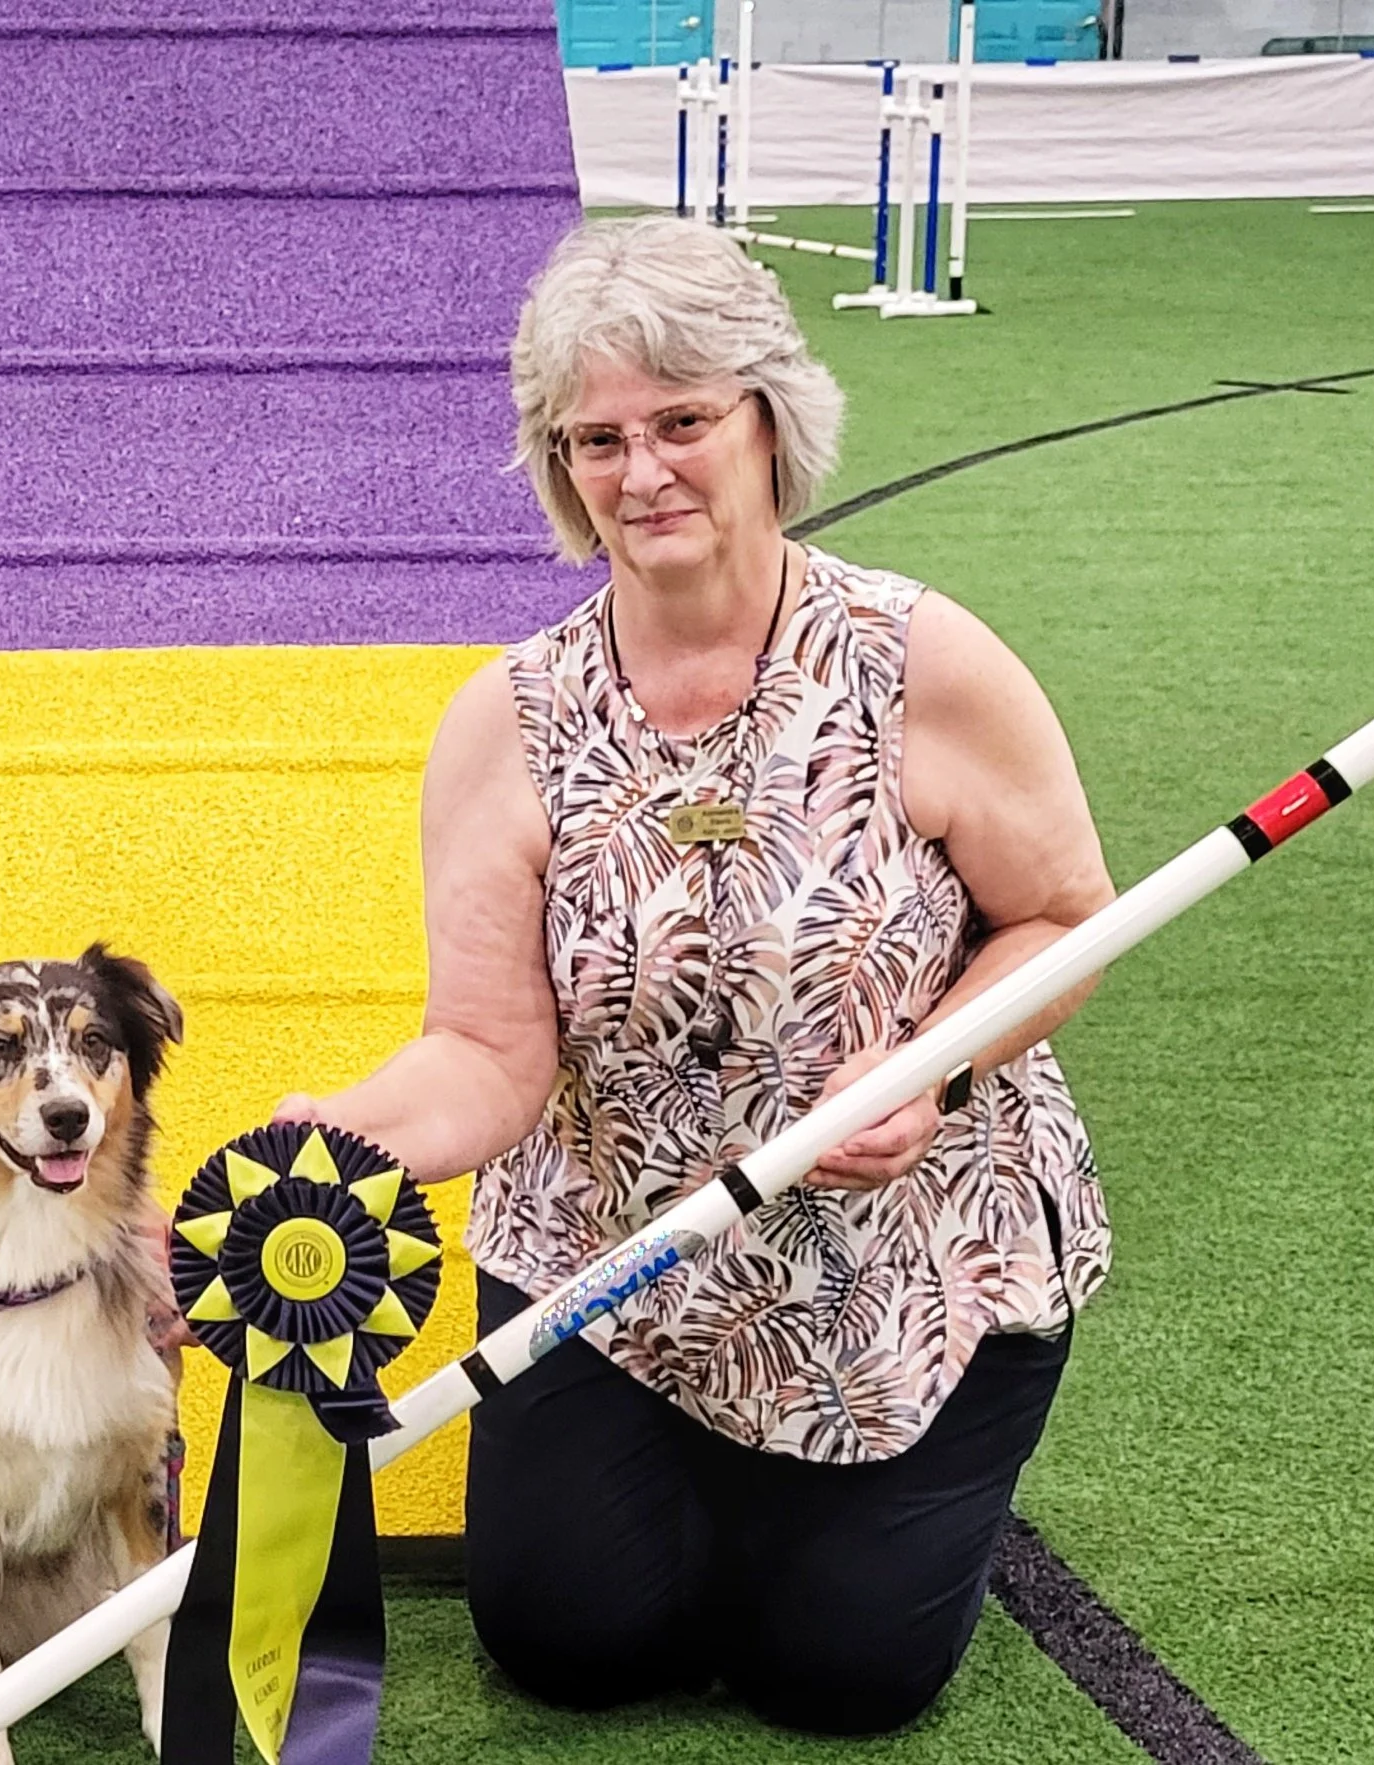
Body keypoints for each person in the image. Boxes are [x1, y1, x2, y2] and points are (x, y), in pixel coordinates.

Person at [276, 217, 1117, 1736]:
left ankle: (899, 1494)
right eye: (594, 437)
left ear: (766, 420)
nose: (640, 470)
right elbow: (483, 1047)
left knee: (841, 1677)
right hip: (610, 1268)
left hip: (902, 1267)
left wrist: (930, 1062)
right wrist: (346, 1138)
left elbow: (1061, 918)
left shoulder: (921, 658)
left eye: (679, 420)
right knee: (563, 1641)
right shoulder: (506, 719)